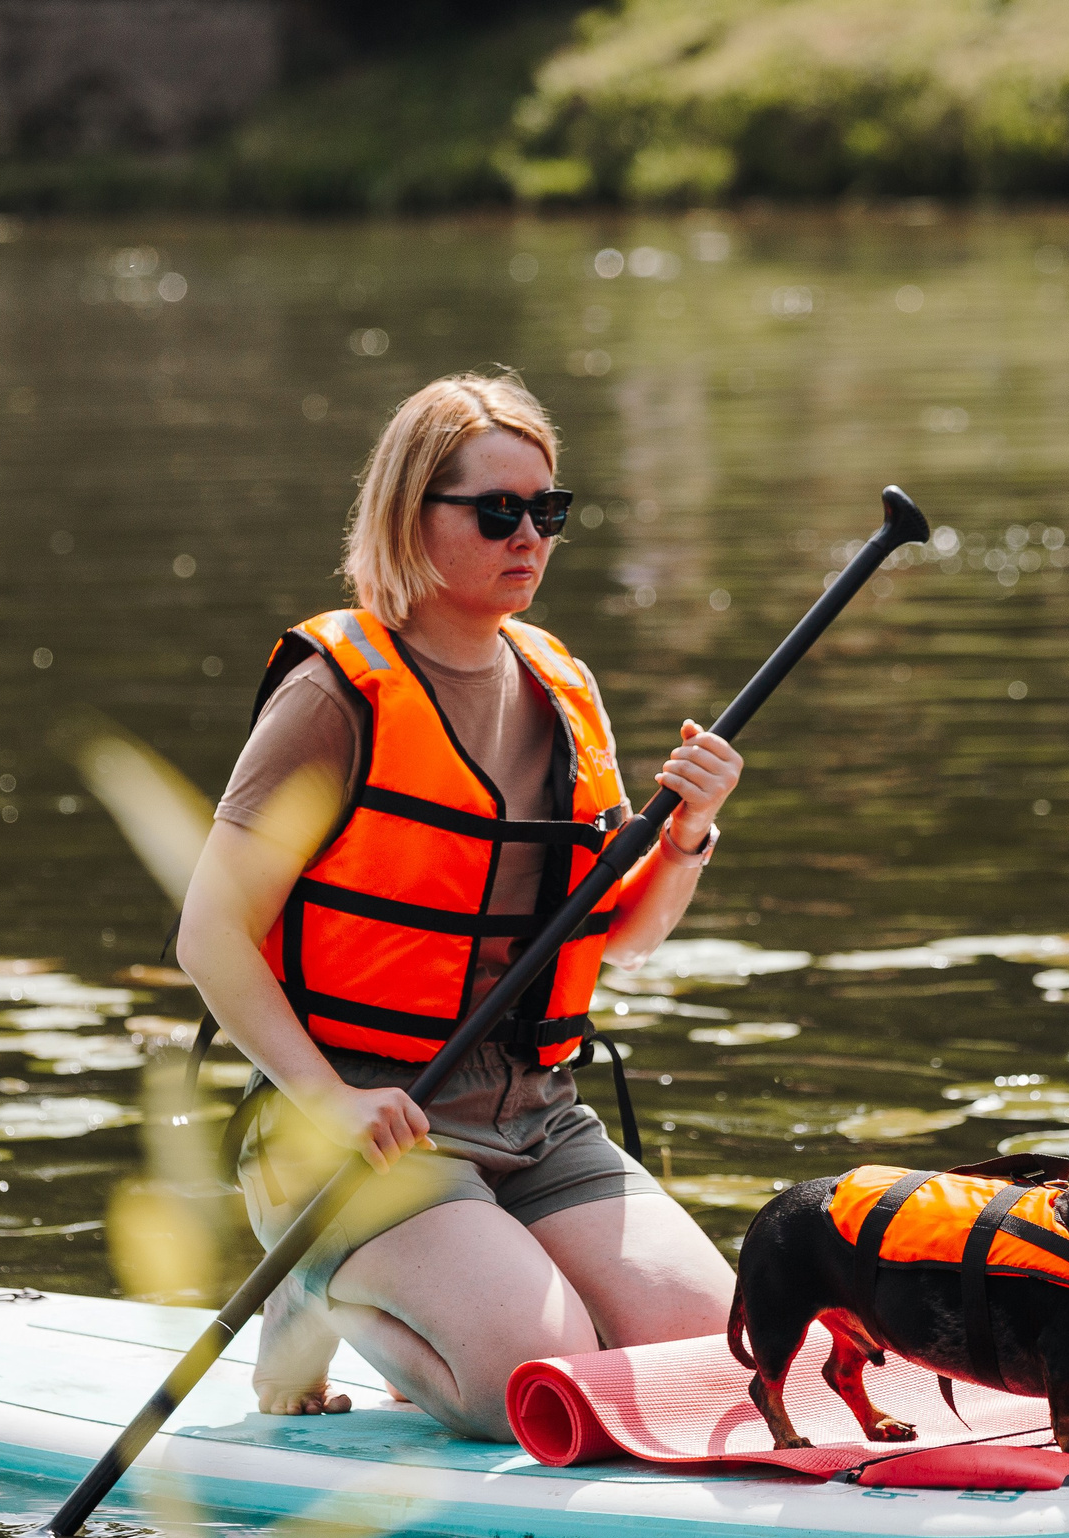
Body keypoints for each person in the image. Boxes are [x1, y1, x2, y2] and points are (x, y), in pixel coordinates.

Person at [176, 372, 743, 1441]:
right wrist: (321, 1099)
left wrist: (688, 838)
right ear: (409, 514)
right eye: (497, 512)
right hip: (361, 1124)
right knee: (540, 1386)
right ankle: (313, 1293)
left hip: (535, 1113)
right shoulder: (330, 697)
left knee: (709, 1364)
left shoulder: (562, 688)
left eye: (549, 511)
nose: (529, 535)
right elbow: (206, 934)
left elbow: (625, 942)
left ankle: (438, 1281)